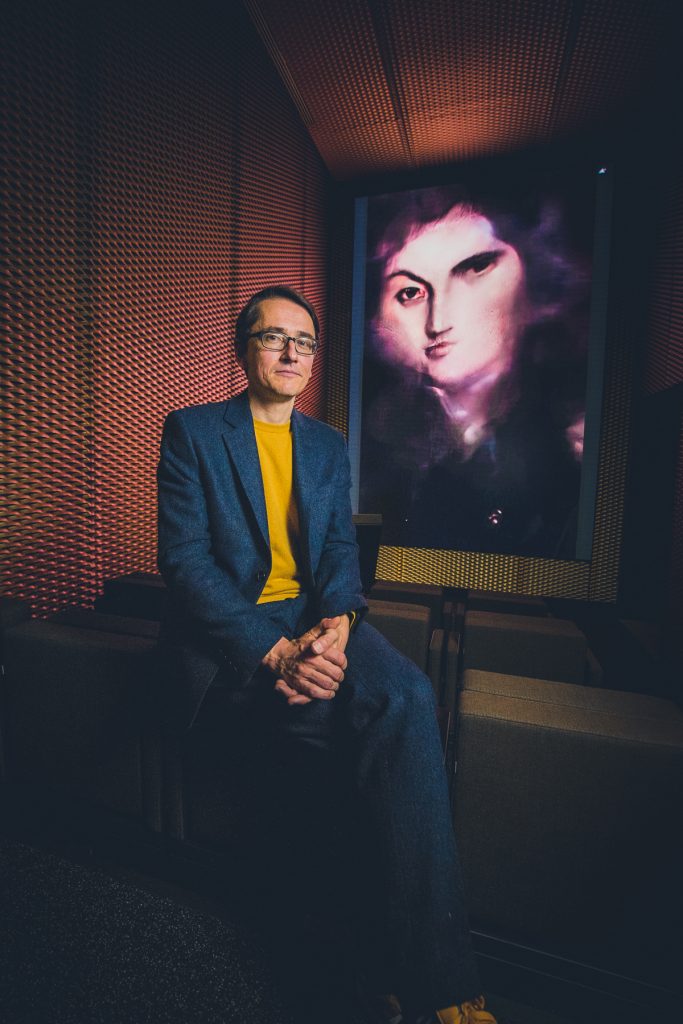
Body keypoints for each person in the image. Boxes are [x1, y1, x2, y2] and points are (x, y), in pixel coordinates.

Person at [157, 285, 497, 1024]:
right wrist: (276, 654)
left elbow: (341, 549)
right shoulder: (192, 431)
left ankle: (401, 970)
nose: (291, 352)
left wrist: (339, 623)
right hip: (238, 632)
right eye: (273, 337)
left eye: (304, 341)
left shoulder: (325, 443)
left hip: (319, 619)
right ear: (243, 349)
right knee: (355, 746)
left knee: (407, 697)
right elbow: (185, 566)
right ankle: (424, 980)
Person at [361, 185, 589, 558]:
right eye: (410, 292)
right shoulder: (374, 456)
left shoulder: (575, 449)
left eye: (475, 268)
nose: (438, 321)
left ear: (534, 277)